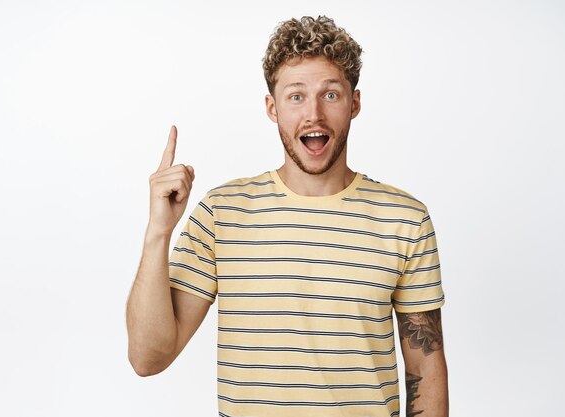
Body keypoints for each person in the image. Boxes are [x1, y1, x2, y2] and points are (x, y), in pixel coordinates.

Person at [126, 15, 449, 417]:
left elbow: (425, 369)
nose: (313, 114)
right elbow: (148, 358)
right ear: (272, 108)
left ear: (355, 103)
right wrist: (158, 232)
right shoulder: (221, 213)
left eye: (330, 94)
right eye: (296, 96)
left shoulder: (405, 219)